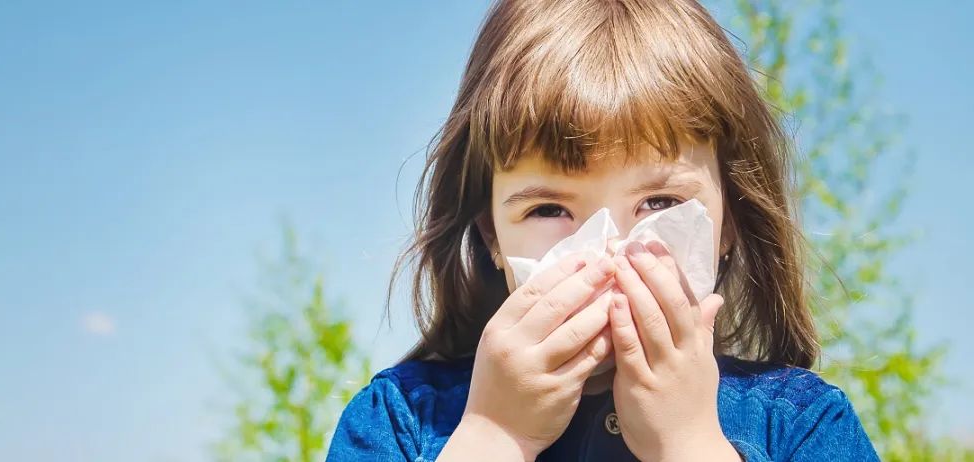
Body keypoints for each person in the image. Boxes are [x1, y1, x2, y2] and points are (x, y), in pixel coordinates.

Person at [327, 0, 879, 460]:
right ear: (492, 234)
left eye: (660, 201)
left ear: (728, 223)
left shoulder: (801, 426)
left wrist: (687, 442)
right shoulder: (397, 423)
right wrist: (496, 434)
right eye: (548, 209)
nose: (611, 248)